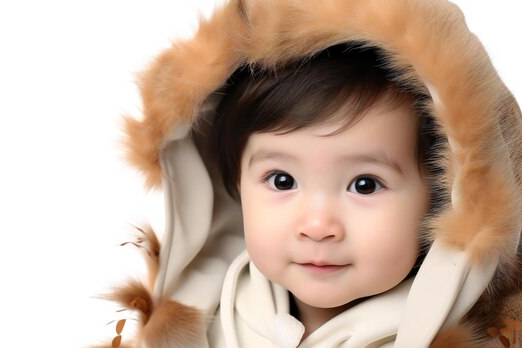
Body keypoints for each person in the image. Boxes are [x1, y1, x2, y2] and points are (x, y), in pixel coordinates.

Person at [104, 0, 522, 347]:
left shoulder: (477, 338)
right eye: (282, 180)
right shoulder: (194, 324)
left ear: (443, 199)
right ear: (234, 186)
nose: (318, 226)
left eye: (365, 184)